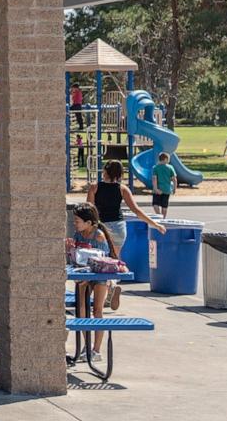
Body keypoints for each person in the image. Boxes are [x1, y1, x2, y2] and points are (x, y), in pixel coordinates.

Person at [86, 159, 163, 295]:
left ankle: (105, 290)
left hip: (101, 228)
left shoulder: (94, 187)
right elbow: (137, 211)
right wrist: (155, 224)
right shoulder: (122, 189)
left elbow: (89, 210)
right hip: (118, 227)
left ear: (104, 171)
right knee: (113, 260)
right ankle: (112, 286)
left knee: (99, 261)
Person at [69, 204, 116, 354]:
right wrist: (69, 249)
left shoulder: (99, 236)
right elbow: (77, 259)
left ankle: (96, 350)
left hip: (100, 276)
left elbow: (102, 261)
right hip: (84, 274)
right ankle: (87, 346)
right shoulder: (78, 235)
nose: (74, 224)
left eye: (77, 221)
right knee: (81, 308)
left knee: (97, 310)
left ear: (88, 223)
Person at [150, 152, 175, 217]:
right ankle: (163, 218)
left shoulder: (155, 167)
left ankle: (158, 215)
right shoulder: (170, 168)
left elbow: (154, 179)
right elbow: (174, 179)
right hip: (167, 190)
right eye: (168, 159)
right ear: (165, 159)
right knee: (164, 206)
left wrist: (155, 189)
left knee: (155, 204)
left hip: (158, 189)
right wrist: (174, 188)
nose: (169, 161)